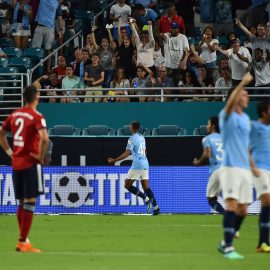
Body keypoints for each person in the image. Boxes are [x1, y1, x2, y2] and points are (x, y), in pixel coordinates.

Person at [0, 84, 49, 252]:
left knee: (22, 202)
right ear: (36, 98)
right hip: (30, 163)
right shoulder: (37, 116)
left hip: (16, 163)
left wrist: (10, 152)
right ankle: (22, 242)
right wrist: (40, 156)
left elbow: (1, 133)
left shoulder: (14, 114)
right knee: (30, 202)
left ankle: (23, 240)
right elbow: (44, 138)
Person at [217, 72, 254, 259]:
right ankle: (229, 247)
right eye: (244, 94)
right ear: (235, 97)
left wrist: (252, 166)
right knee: (231, 205)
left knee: (244, 210)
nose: (247, 96)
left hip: (244, 169)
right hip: (229, 167)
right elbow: (231, 101)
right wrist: (242, 83)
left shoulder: (246, 120)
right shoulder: (226, 115)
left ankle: (225, 242)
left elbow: (246, 146)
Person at [108, 121, 160, 215]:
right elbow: (145, 151)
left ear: (132, 127)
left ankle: (146, 199)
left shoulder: (131, 139)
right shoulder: (142, 137)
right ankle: (156, 208)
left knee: (127, 185)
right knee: (146, 187)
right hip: (145, 163)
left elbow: (127, 153)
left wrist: (114, 160)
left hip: (137, 165)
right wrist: (142, 159)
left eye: (130, 125)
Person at [193, 116, 225, 214]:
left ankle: (226, 215)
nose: (207, 126)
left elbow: (207, 154)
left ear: (213, 126)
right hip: (229, 169)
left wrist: (198, 163)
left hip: (217, 170)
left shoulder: (207, 139)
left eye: (208, 124)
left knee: (211, 199)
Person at [250, 100, 270, 252]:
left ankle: (262, 244)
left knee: (266, 205)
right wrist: (252, 166)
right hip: (259, 169)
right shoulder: (254, 127)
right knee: (267, 201)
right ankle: (263, 242)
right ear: (264, 112)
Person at [32, 0, 63, 72]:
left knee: (48, 49)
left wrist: (61, 30)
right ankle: (35, 69)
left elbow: (59, 16)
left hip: (50, 28)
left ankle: (48, 70)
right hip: (39, 27)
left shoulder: (57, 3)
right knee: (35, 50)